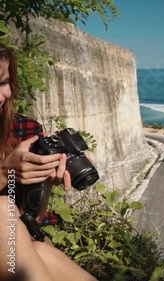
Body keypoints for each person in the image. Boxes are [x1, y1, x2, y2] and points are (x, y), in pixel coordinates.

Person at [0, 43, 97, 280]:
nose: (5, 95)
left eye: (3, 82)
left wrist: (45, 183)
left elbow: (30, 224)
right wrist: (5, 173)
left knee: (42, 250)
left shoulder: (23, 130)